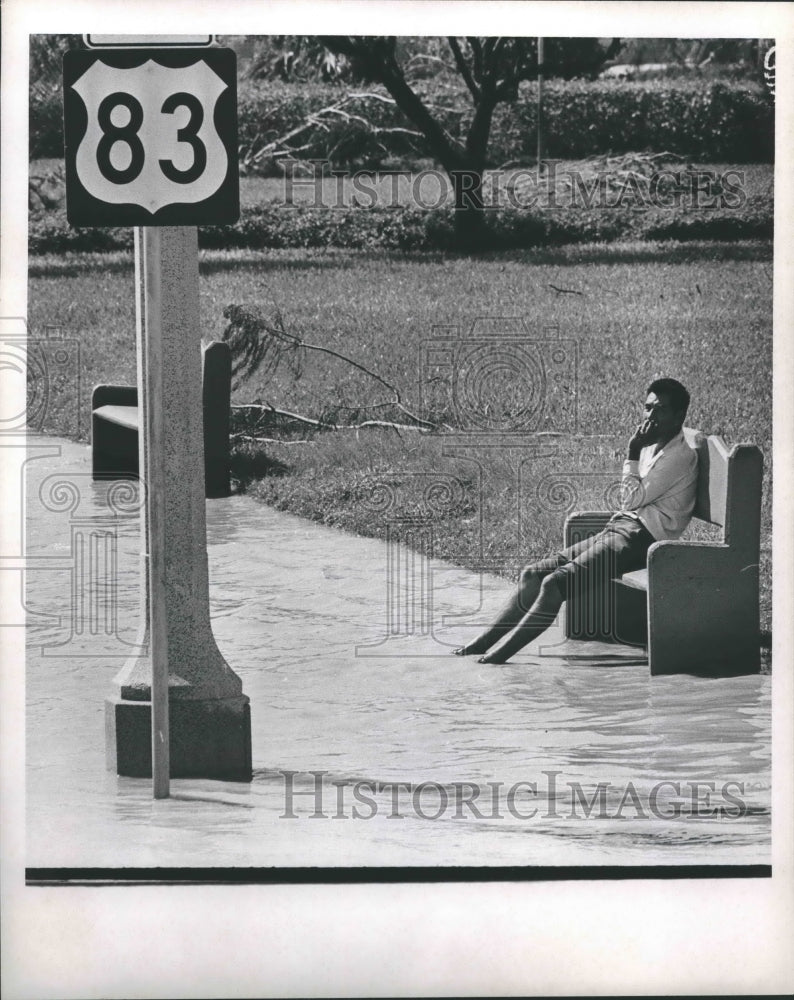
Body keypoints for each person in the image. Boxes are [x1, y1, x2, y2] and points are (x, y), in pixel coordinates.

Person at [453, 378, 699, 664]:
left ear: (679, 416)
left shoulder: (679, 456)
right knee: (533, 574)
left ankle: (499, 658)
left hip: (641, 538)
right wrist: (638, 452)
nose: (650, 417)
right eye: (647, 409)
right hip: (621, 528)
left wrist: (632, 450)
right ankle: (482, 643)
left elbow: (629, 500)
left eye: (661, 410)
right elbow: (629, 502)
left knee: (554, 584)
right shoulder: (653, 444)